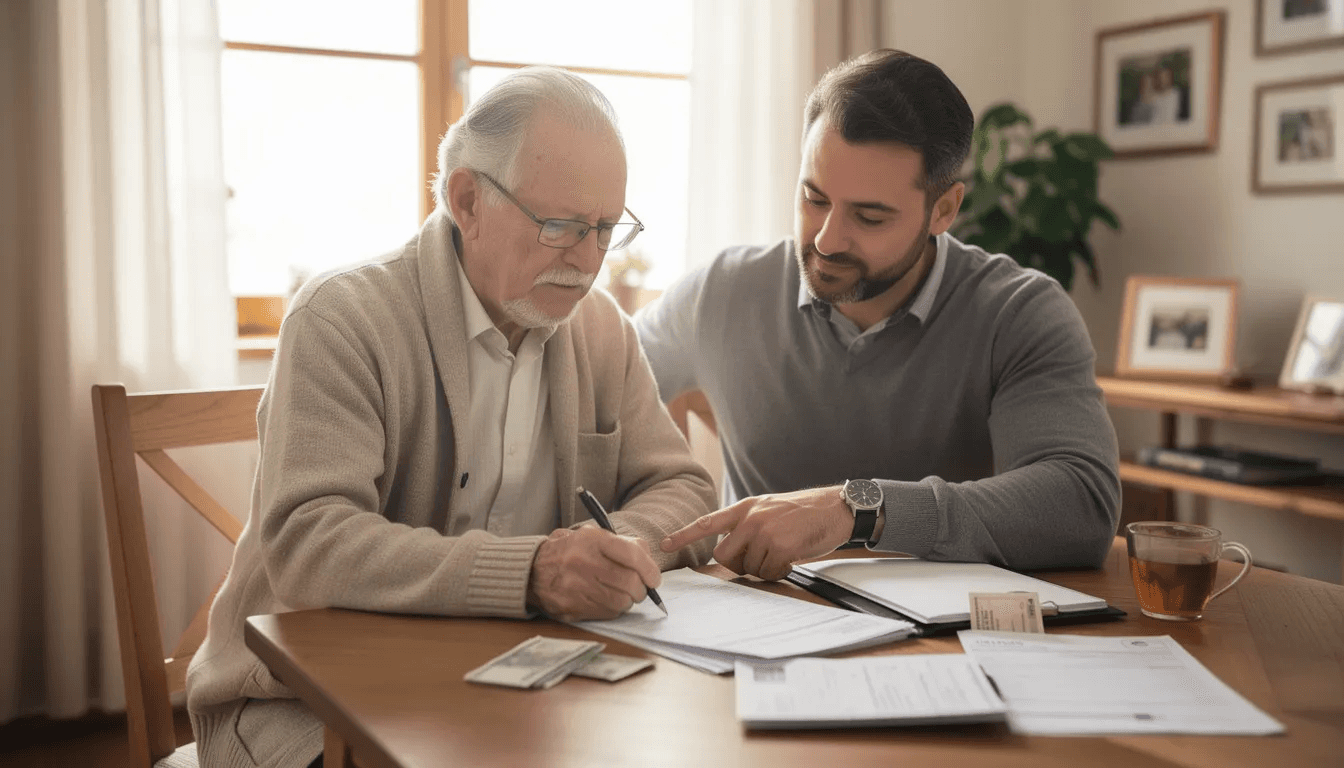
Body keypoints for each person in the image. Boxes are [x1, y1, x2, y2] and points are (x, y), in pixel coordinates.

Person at [186, 67, 716, 768]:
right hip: (296, 699)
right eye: (561, 226)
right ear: (467, 200)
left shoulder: (601, 329)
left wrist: (619, 548)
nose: (588, 260)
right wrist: (532, 573)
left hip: (512, 684)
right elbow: (310, 546)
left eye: (605, 228)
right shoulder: (342, 318)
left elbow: (684, 488)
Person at [637, 49, 1120, 581]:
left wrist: (855, 510)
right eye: (814, 198)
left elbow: (1081, 505)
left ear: (944, 209)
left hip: (945, 645)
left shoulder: (1020, 312)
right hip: (760, 625)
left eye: (868, 217)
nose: (826, 239)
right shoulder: (723, 293)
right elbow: (594, 392)